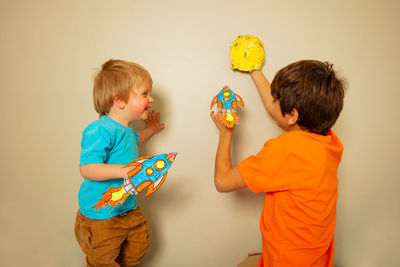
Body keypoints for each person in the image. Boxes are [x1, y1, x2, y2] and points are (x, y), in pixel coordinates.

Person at [211, 60, 346, 267]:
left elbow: (222, 181)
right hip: (317, 259)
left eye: (276, 100)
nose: (272, 103)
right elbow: (281, 111)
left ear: (293, 115)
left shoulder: (285, 151)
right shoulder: (328, 143)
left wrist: (226, 133)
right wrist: (255, 70)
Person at [75, 59, 165, 267]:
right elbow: (87, 168)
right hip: (102, 214)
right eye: (144, 94)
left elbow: (135, 141)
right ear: (119, 101)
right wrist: (124, 171)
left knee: (138, 246)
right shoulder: (100, 129)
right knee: (103, 259)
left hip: (127, 207)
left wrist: (150, 130)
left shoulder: (128, 132)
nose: (150, 99)